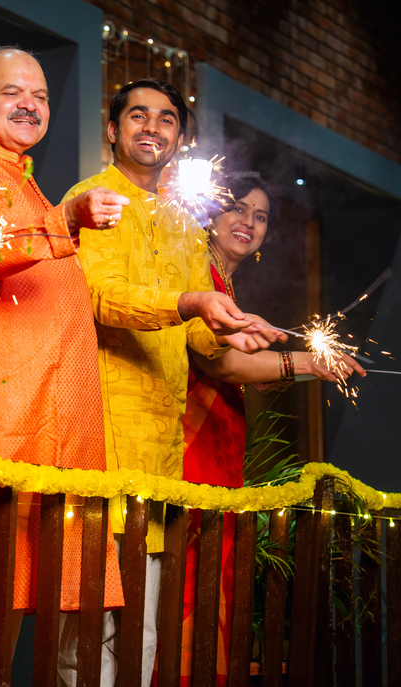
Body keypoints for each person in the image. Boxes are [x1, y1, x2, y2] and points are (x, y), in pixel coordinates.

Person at [63, 78, 281, 686]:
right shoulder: (91, 201)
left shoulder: (185, 227)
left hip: (160, 456)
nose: (151, 128)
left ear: (179, 138)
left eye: (165, 119)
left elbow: (198, 338)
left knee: (143, 631)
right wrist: (190, 300)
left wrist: (233, 334)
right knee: (90, 633)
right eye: (137, 116)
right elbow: (101, 298)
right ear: (112, 130)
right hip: (98, 442)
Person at [0, 46, 127, 680]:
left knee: (54, 574)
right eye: (12, 93)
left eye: (38, 96)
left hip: (60, 402)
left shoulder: (24, 174)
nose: (30, 105)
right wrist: (64, 218)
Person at [171, 174, 365, 686]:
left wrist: (302, 361)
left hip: (219, 449)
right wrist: (306, 361)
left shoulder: (227, 285)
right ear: (210, 215)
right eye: (236, 209)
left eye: (260, 217)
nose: (248, 222)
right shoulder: (195, 274)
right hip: (186, 449)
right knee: (188, 581)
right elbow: (222, 367)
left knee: (213, 576)